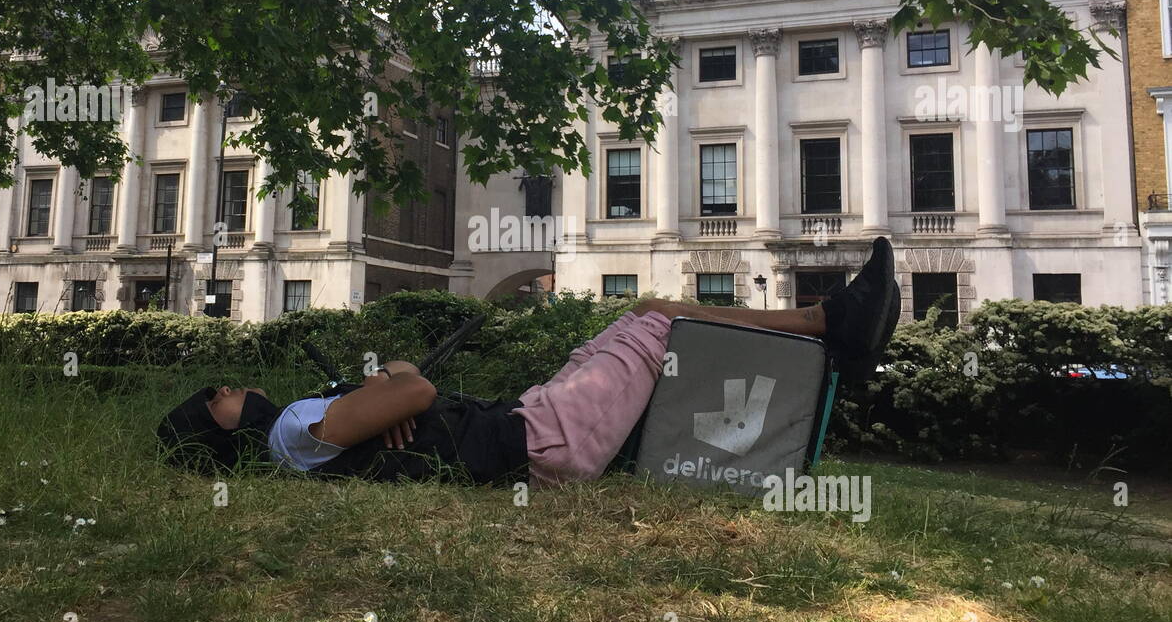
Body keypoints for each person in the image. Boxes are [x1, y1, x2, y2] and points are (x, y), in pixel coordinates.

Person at [157, 237, 900, 487]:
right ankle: (830, 323)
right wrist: (393, 393)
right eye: (210, 400)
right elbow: (415, 388)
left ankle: (830, 331)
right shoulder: (289, 431)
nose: (222, 388)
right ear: (220, 434)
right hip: (545, 444)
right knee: (653, 320)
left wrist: (384, 400)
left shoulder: (299, 438)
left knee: (619, 328)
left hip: (534, 427)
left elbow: (406, 390)